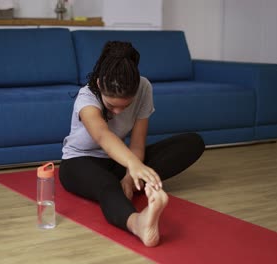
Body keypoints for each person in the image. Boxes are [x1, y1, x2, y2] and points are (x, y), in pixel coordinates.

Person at [59, 41, 205, 247]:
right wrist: (134, 165)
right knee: (107, 185)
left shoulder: (143, 87)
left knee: (191, 142)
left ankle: (132, 183)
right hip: (80, 162)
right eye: (111, 106)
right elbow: (102, 135)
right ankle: (139, 223)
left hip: (120, 160)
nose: (118, 112)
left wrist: (129, 175)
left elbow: (137, 143)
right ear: (100, 84)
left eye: (125, 106)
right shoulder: (87, 97)